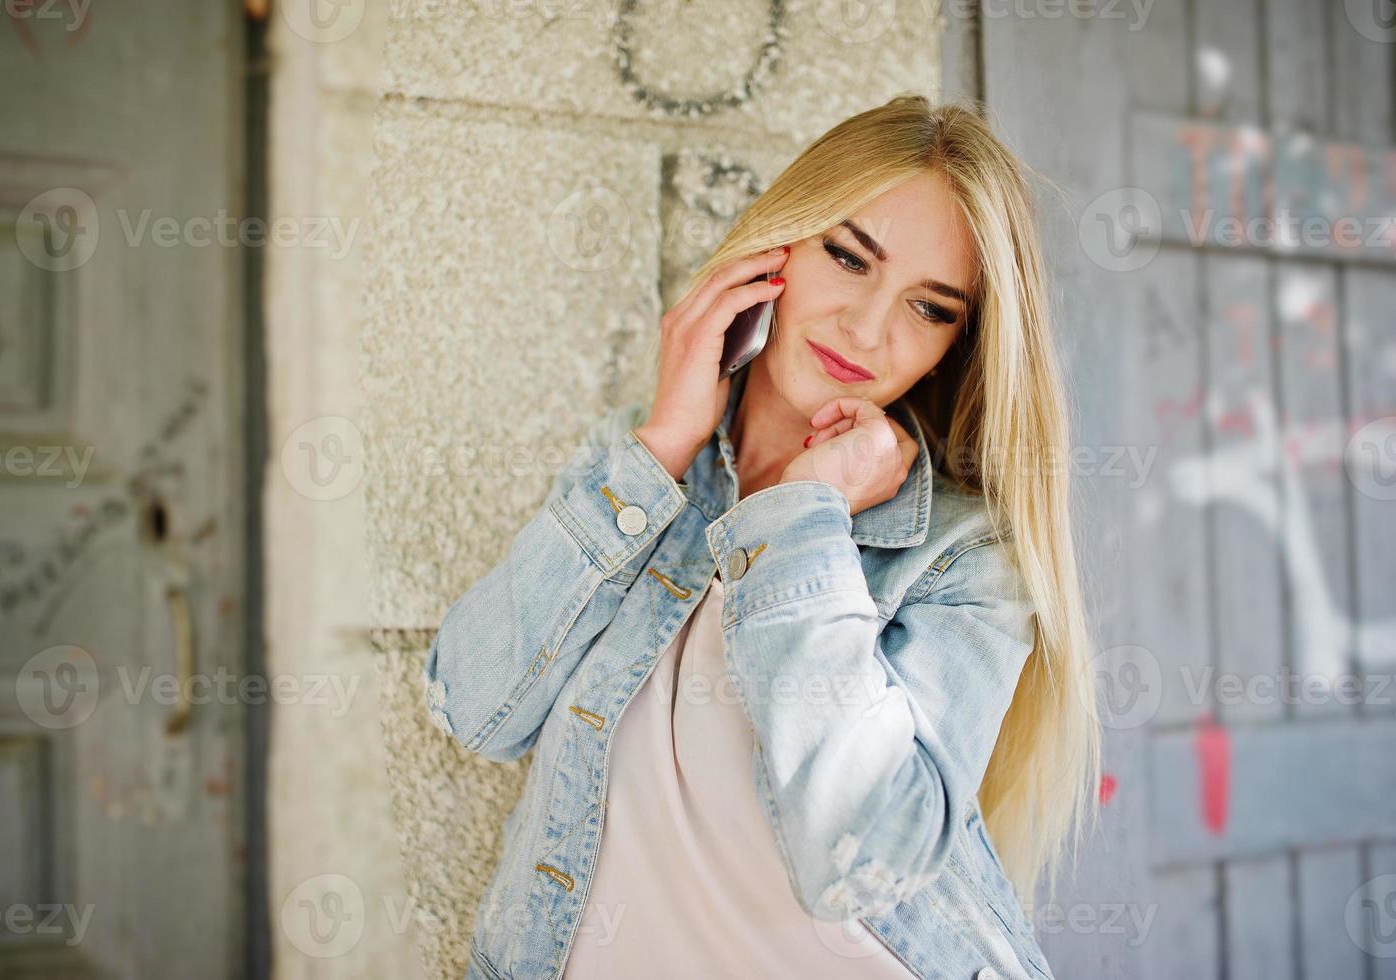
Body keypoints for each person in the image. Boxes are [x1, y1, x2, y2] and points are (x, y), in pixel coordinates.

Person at [424, 93, 1100, 980]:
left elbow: (862, 861)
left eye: (929, 309)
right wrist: (661, 442)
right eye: (849, 256)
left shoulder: (963, 557)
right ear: (776, 244)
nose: (867, 329)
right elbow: (470, 710)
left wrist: (803, 518)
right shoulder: (643, 476)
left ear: (957, 348)